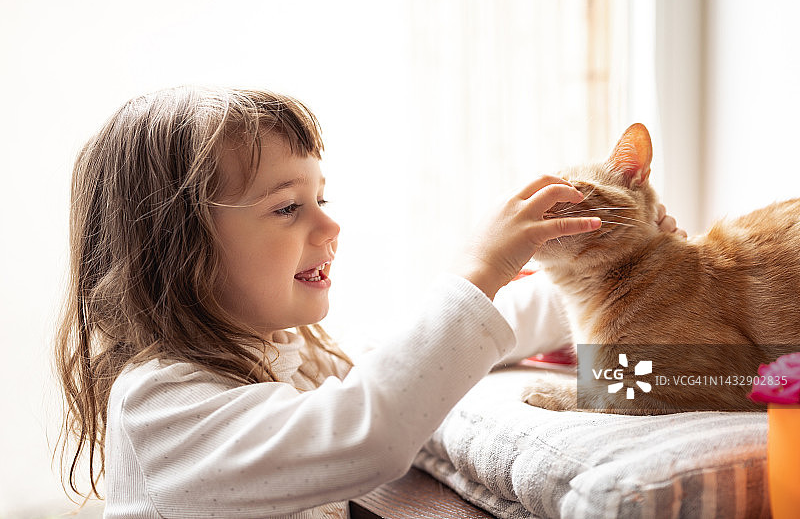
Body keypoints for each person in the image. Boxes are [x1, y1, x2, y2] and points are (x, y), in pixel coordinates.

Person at [54, 86, 676, 518]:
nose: (330, 226)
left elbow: (405, 360)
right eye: (288, 207)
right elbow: (368, 432)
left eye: (322, 198)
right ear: (176, 249)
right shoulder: (160, 408)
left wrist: (621, 274)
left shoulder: (285, 354)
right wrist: (477, 271)